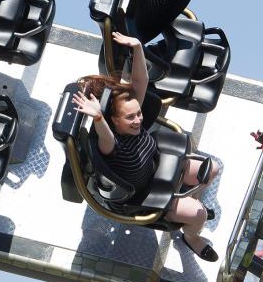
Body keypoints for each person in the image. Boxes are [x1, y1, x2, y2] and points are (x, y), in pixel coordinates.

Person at [72, 31, 220, 261]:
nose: (138, 120)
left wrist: (138, 47)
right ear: (115, 121)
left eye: (138, 114)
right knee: (197, 214)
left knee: (212, 169)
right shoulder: (112, 144)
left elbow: (140, 82)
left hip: (156, 163)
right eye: (130, 118)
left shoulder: (130, 116)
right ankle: (191, 237)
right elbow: (105, 135)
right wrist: (97, 118)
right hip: (143, 194)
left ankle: (190, 204)